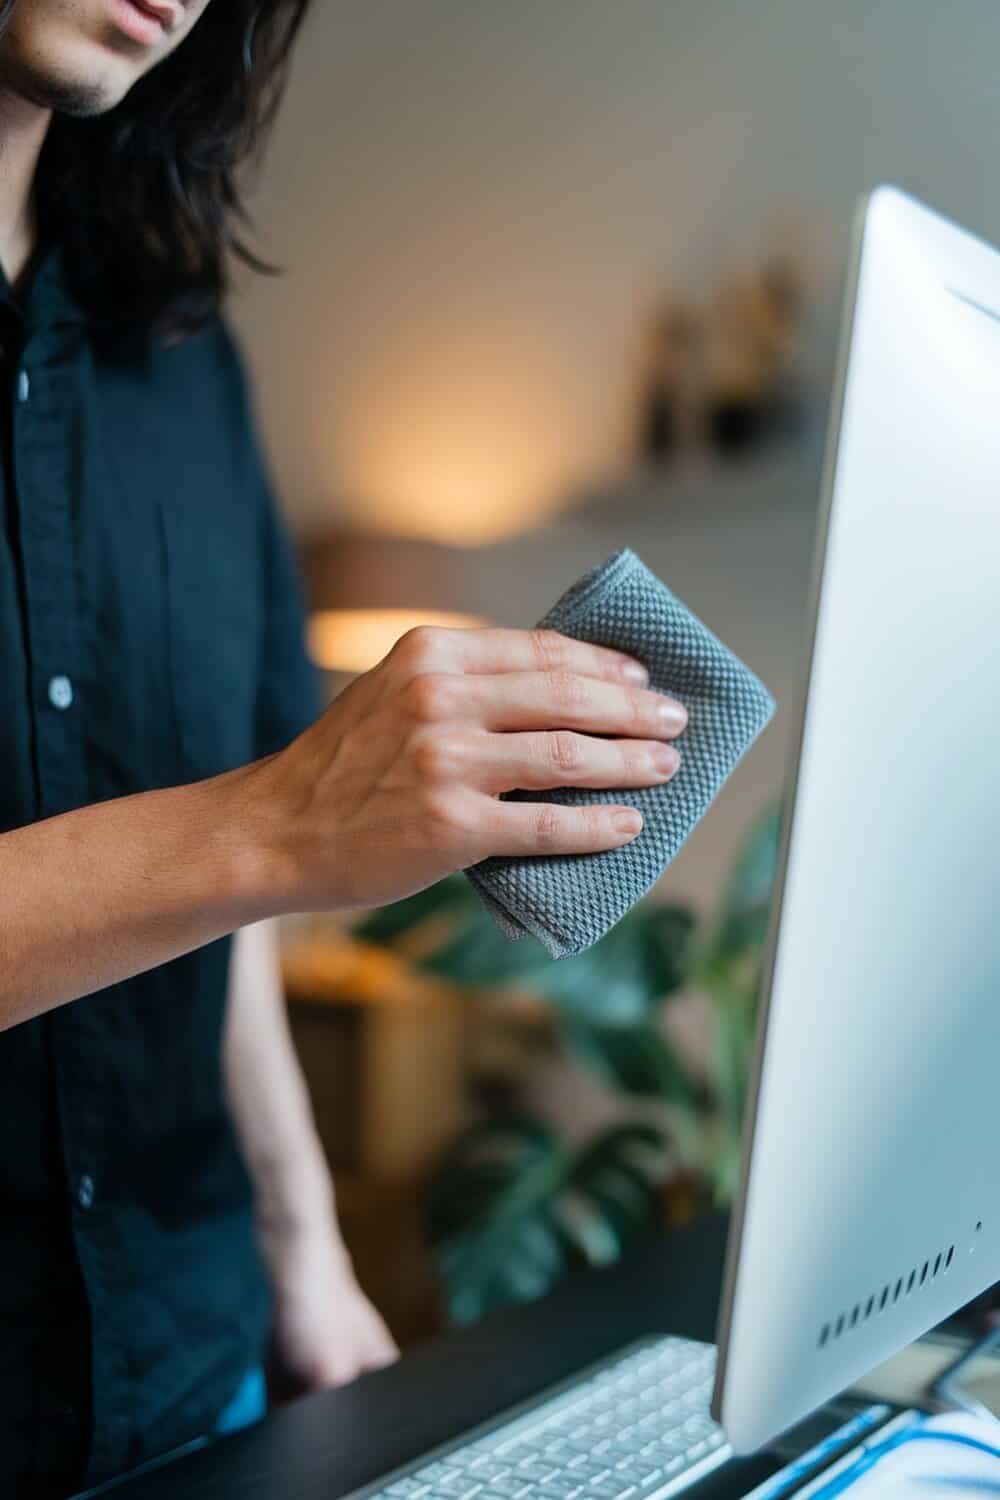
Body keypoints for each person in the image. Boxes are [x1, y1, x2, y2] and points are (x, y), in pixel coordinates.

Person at [0, 2, 688, 1494]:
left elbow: (217, 927)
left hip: (199, 1372)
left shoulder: (183, 360)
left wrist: (306, 1252)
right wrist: (282, 822)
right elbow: (243, 844)